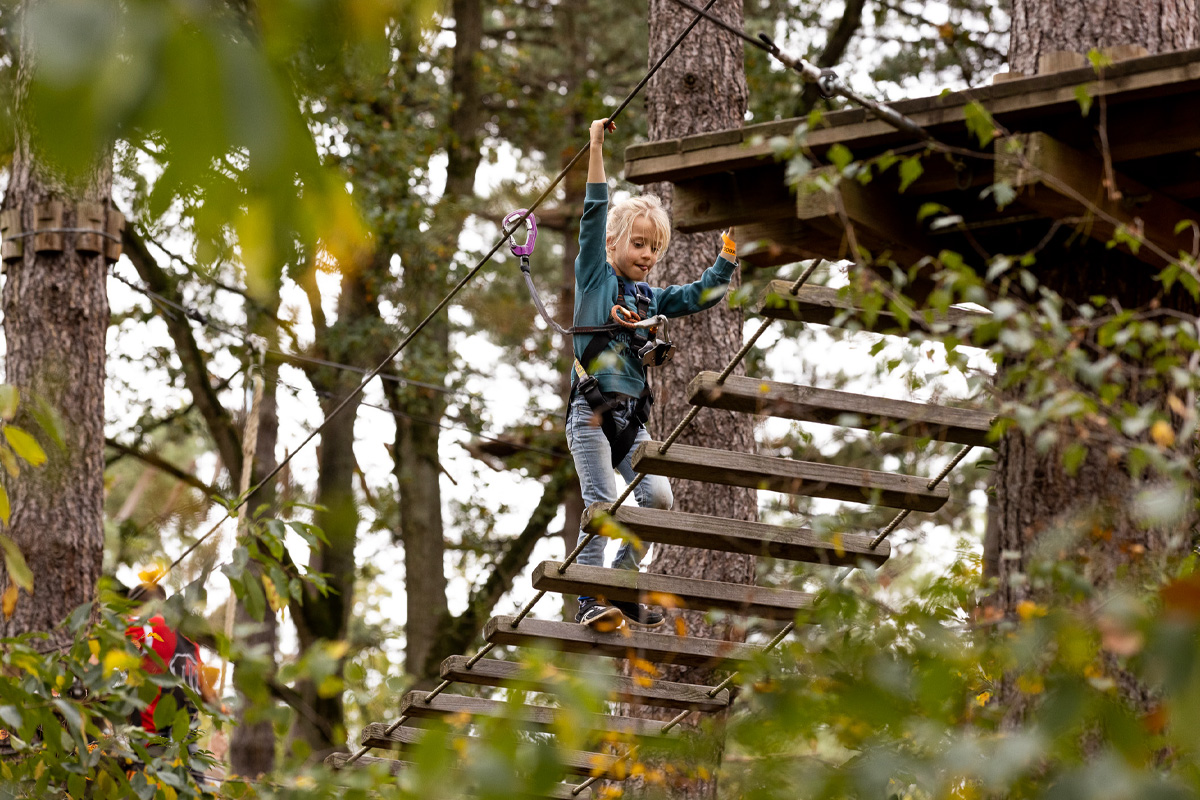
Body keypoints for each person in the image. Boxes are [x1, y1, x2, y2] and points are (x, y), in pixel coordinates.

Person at [568, 117, 739, 630]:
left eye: (654, 249)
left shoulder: (649, 298)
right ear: (615, 243)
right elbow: (594, 214)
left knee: (658, 498)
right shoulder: (596, 278)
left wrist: (726, 258)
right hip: (592, 415)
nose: (647, 256)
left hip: (631, 421)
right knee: (602, 504)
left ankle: (622, 586)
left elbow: (696, 296)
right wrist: (596, 146)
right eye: (639, 244)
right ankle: (588, 596)